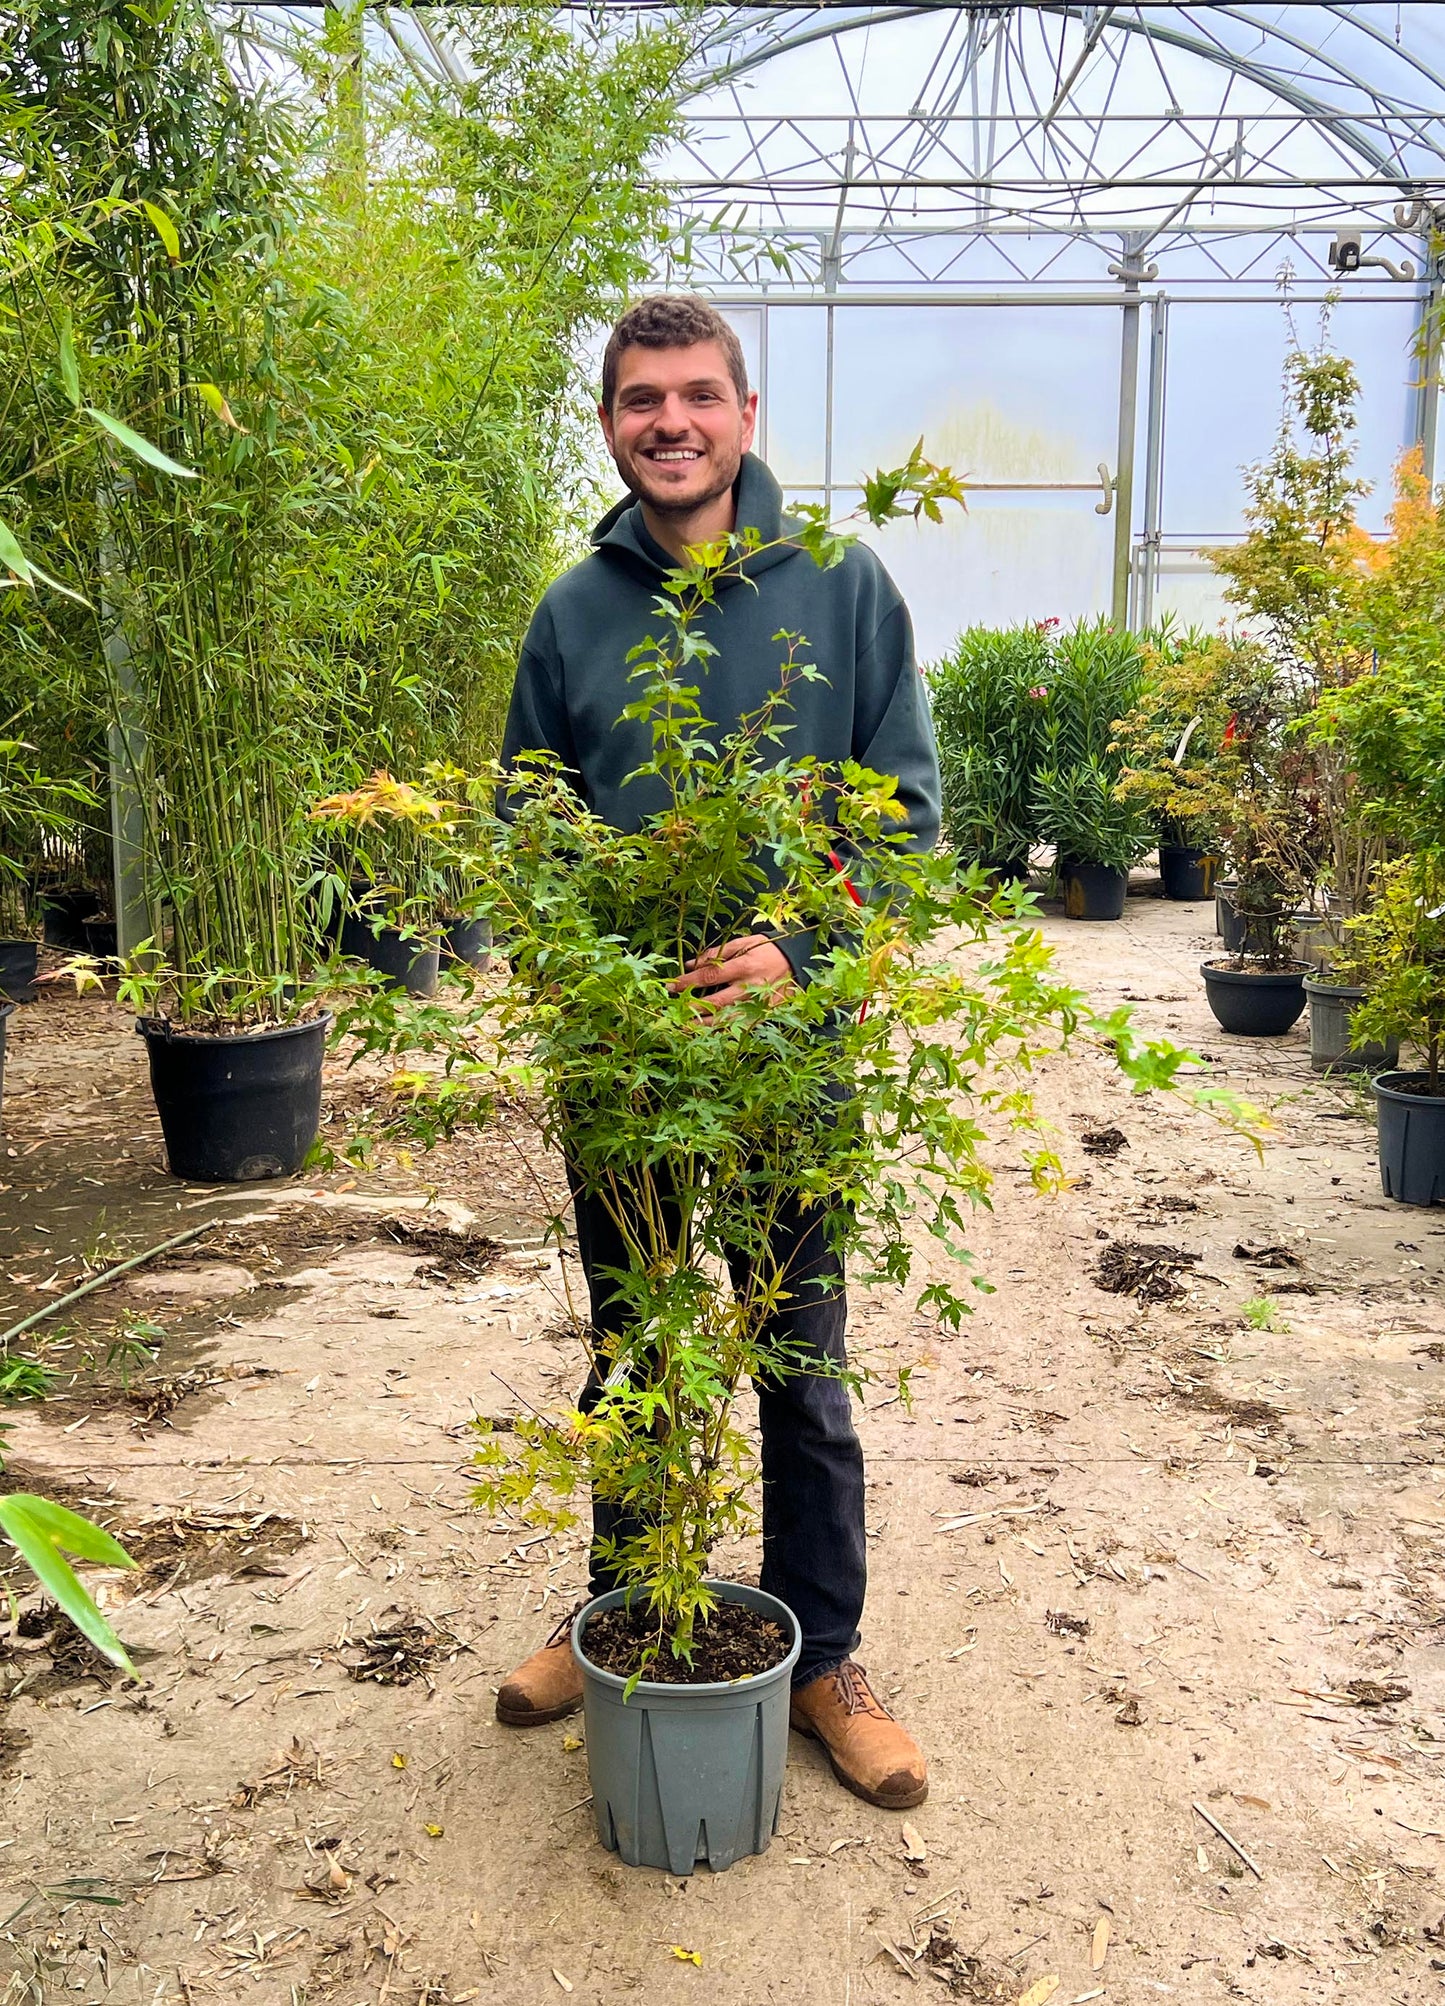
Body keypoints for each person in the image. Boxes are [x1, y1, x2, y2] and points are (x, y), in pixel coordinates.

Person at [492, 294, 941, 1812]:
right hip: (626, 1059)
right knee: (634, 1347)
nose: (669, 422)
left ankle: (825, 1657)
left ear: (747, 415)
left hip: (786, 1055)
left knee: (796, 1363)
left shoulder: (843, 585)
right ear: (610, 424)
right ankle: (619, 1610)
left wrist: (800, 953)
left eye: (697, 395)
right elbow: (529, 826)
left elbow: (905, 816)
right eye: (641, 400)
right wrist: (588, 979)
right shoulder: (574, 611)